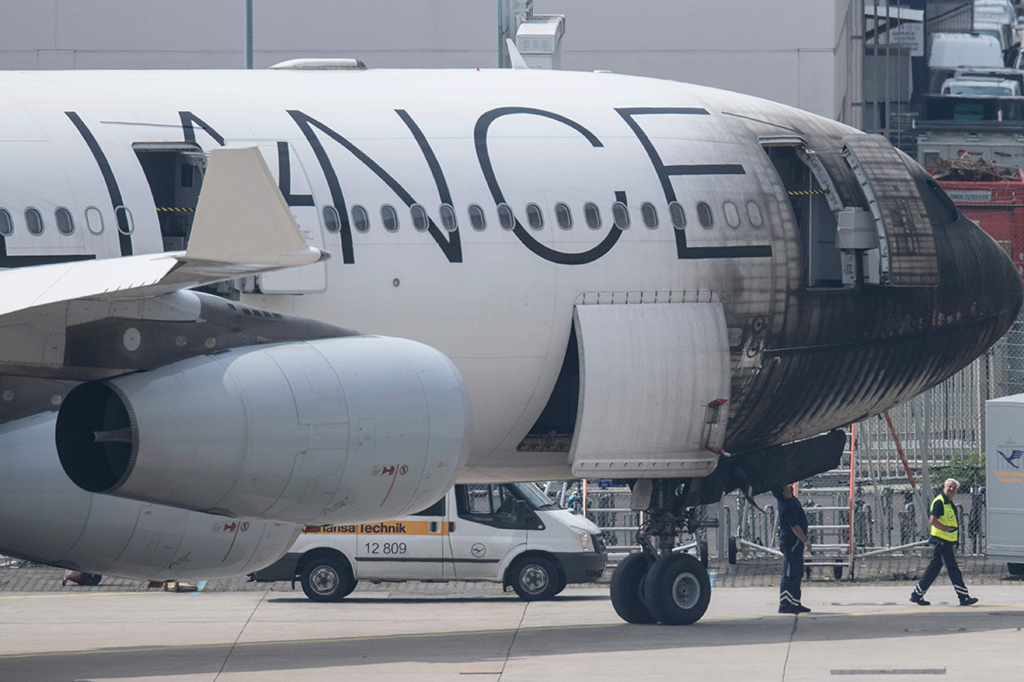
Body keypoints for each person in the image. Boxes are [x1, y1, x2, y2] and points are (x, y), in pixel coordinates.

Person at [911, 478, 979, 606]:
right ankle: (963, 597)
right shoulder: (940, 502)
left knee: (933, 569)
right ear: (944, 487)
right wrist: (946, 529)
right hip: (942, 541)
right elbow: (933, 520)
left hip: (946, 541)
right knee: (953, 569)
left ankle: (917, 594)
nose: (951, 489)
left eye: (954, 488)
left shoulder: (949, 503)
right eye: (949, 487)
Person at [774, 482, 812, 614]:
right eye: (785, 485)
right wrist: (805, 540)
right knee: (790, 573)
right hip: (791, 541)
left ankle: (795, 601)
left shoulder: (791, 499)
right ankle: (785, 603)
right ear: (783, 492)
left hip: (795, 542)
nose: (789, 485)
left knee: (797, 572)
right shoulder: (787, 505)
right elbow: (795, 527)